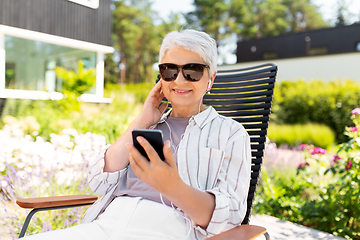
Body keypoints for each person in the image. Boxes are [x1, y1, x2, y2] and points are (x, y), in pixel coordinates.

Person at [23, 29, 251, 240]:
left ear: (210, 79)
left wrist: (173, 187)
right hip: (105, 225)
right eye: (170, 70)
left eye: (192, 71)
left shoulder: (230, 134)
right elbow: (99, 182)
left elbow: (229, 217)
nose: (179, 80)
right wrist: (143, 119)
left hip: (168, 230)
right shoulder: (149, 126)